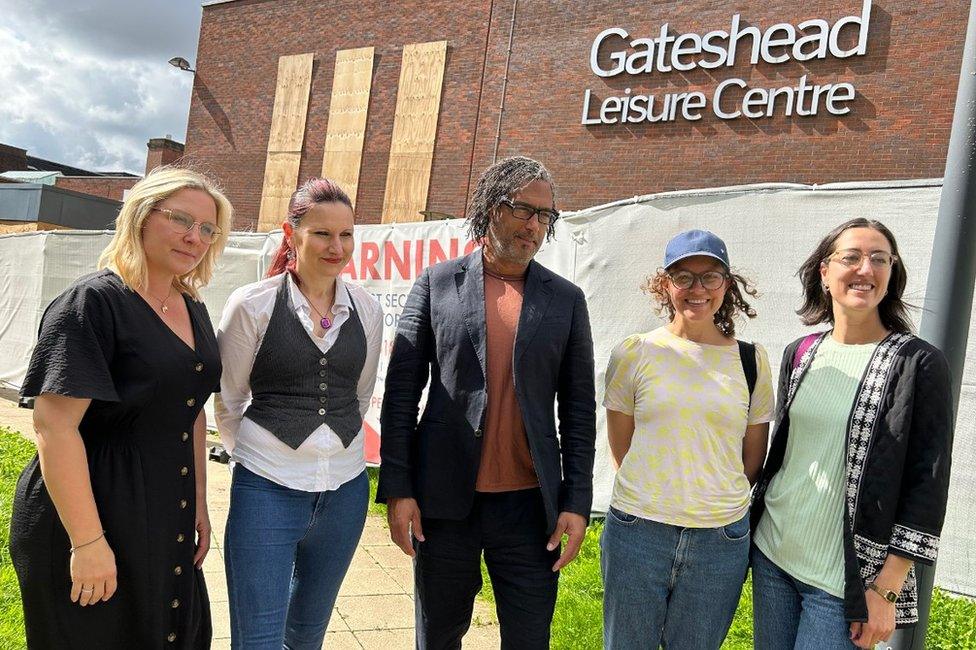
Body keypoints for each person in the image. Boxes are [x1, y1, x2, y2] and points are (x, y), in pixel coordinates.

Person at [377, 156, 596, 649]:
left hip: (528, 507)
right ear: (491, 208)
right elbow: (401, 394)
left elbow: (579, 411)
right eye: (525, 210)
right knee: (438, 634)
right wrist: (398, 488)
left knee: (528, 637)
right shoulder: (436, 285)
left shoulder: (565, 300)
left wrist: (576, 502)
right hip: (445, 502)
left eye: (546, 216)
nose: (535, 225)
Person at [9, 166, 232, 649]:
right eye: (181, 220)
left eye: (207, 229)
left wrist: (197, 503)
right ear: (140, 217)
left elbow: (189, 411)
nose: (195, 237)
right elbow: (54, 426)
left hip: (162, 508)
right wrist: (87, 543)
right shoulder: (91, 303)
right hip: (93, 505)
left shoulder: (190, 305)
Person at [751, 218, 954, 650]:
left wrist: (886, 589)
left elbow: (928, 483)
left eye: (879, 259)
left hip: (844, 580)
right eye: (852, 257)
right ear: (824, 273)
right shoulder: (802, 353)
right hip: (773, 555)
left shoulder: (917, 364)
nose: (866, 268)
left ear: (891, 274)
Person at [215, 177, 382, 649]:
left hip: (345, 492)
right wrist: (254, 456)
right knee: (259, 639)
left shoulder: (367, 308)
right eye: (322, 233)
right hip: (267, 487)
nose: (337, 246)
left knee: (307, 634)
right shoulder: (253, 304)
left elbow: (361, 391)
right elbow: (228, 399)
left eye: (346, 233)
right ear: (292, 235)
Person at [600, 229, 774, 649]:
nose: (698, 289)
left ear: (727, 285)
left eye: (710, 276)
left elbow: (753, 458)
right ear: (665, 284)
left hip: (720, 541)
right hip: (638, 531)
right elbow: (622, 447)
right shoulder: (634, 352)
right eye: (684, 277)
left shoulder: (752, 361)